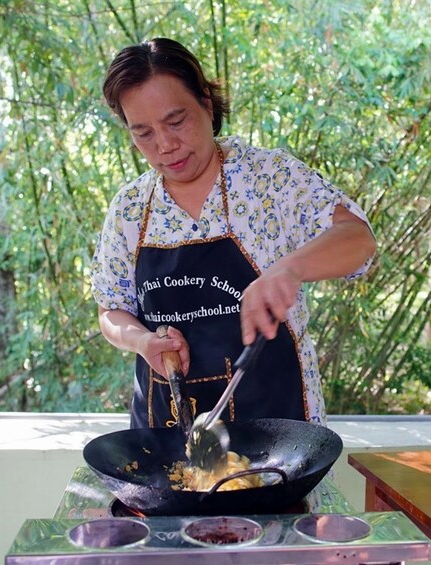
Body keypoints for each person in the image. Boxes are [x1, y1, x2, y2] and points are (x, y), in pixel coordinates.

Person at [91, 37, 376, 429]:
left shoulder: (267, 179)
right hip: (167, 439)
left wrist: (289, 269)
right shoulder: (130, 209)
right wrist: (141, 341)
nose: (166, 145)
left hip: (280, 438)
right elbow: (111, 310)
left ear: (207, 103)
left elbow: (358, 240)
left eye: (177, 121)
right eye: (144, 133)